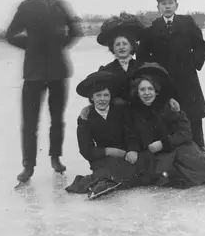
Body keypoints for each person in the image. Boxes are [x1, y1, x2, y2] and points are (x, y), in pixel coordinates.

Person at [5, 0, 83, 183]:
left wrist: (58, 46)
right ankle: (28, 166)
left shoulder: (63, 6)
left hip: (58, 71)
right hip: (34, 72)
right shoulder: (27, 6)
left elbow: (76, 32)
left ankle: (55, 158)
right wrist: (31, 46)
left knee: (57, 119)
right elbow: (10, 35)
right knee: (30, 122)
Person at [137, 0, 205, 150]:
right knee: (169, 116)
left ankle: (200, 150)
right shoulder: (152, 29)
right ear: (158, 7)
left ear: (177, 5)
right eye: (163, 4)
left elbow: (200, 47)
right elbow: (142, 56)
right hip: (164, 82)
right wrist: (153, 74)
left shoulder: (187, 23)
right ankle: (176, 153)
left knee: (193, 117)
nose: (167, 7)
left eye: (170, 3)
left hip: (187, 79)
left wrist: (192, 64)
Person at [65, 71, 154, 199]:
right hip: (103, 158)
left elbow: (131, 134)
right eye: (98, 95)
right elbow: (85, 149)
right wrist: (107, 151)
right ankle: (102, 181)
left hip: (125, 155)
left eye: (106, 95)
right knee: (114, 169)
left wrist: (132, 150)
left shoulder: (120, 111)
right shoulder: (86, 118)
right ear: (91, 98)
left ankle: (106, 180)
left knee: (146, 162)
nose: (102, 99)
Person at [78, 12, 181, 118]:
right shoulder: (106, 71)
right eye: (117, 44)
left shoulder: (145, 67)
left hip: (142, 116)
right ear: (112, 48)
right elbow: (100, 94)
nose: (121, 47)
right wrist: (90, 107)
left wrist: (169, 99)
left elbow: (158, 90)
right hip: (118, 117)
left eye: (125, 44)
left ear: (131, 46)